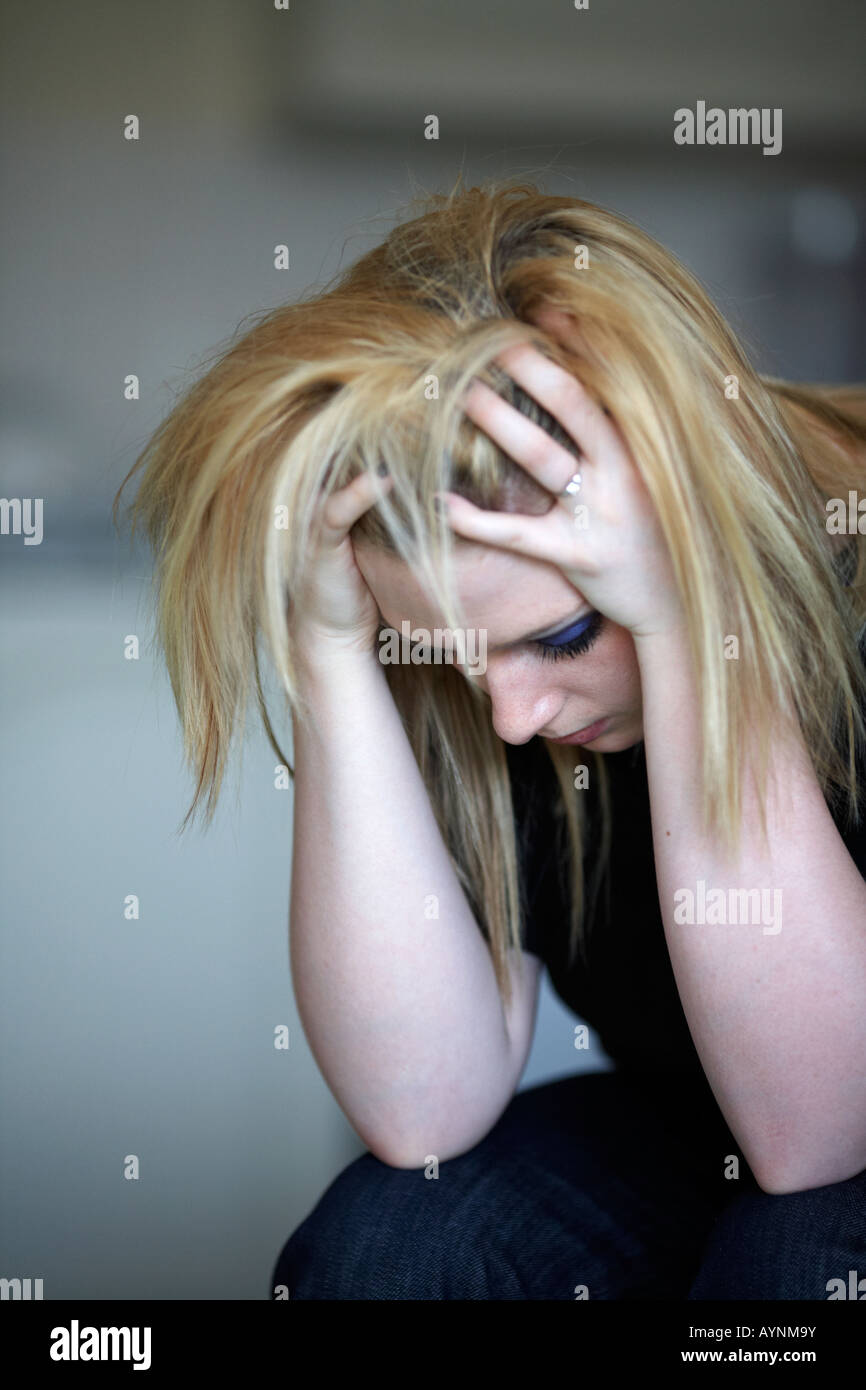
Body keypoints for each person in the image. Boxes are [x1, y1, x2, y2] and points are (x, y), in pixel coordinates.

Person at [115, 177, 866, 1300]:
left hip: (823, 1114)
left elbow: (821, 1135)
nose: (512, 718)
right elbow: (420, 1113)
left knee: (795, 1266)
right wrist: (331, 653)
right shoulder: (485, 690)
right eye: (456, 662)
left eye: (561, 634)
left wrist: (690, 620)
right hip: (705, 1114)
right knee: (390, 1244)